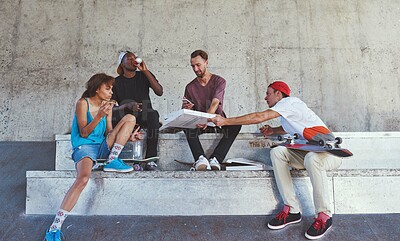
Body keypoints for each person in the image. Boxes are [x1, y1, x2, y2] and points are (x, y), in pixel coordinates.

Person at [209, 81, 342, 239]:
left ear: (279, 94)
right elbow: (289, 128)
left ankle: (324, 216)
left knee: (313, 159)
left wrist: (225, 121)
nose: (265, 97)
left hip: (329, 153)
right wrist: (273, 131)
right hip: (309, 153)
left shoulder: (289, 102)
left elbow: (259, 117)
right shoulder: (287, 114)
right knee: (278, 152)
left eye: (268, 93)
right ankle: (292, 210)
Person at [44, 73, 141, 241]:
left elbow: (109, 132)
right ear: (97, 89)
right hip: (84, 147)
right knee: (82, 179)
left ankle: (112, 160)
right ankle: (54, 228)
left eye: (112, 89)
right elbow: (83, 132)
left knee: (130, 118)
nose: (111, 92)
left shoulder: (107, 106)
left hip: (102, 147)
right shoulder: (83, 103)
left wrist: (126, 137)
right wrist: (99, 116)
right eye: (107, 88)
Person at [182, 50, 241, 171]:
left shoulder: (219, 81)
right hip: (200, 124)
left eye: (198, 65)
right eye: (193, 66)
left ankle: (215, 159)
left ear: (206, 63)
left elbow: (215, 102)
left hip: (216, 121)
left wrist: (206, 119)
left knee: (236, 125)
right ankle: (200, 158)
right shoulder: (190, 87)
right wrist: (186, 109)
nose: (195, 69)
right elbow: (186, 109)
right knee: (186, 125)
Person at [112, 50, 163, 171]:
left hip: (145, 114)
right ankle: (113, 158)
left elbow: (159, 92)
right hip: (125, 117)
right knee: (111, 118)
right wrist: (127, 106)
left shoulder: (144, 75)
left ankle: (151, 160)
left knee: (153, 115)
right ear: (122, 64)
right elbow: (111, 108)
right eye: (129, 58)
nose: (133, 60)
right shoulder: (116, 82)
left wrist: (145, 70)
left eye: (134, 57)